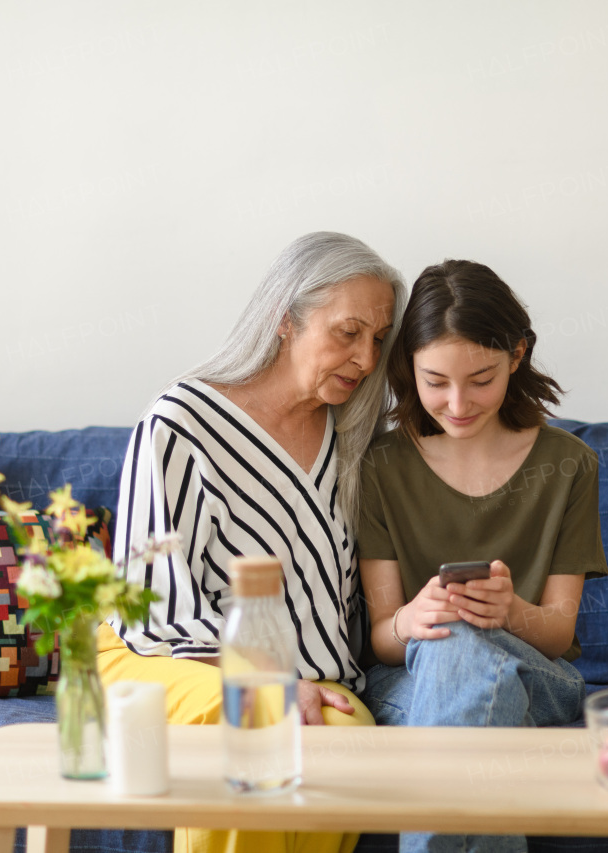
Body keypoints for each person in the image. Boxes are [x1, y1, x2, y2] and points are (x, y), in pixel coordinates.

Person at [99, 231, 406, 853]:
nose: (367, 360)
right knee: (260, 719)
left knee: (345, 743)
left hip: (315, 676)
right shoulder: (179, 423)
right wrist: (268, 682)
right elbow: (154, 604)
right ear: (284, 320)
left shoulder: (355, 438)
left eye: (378, 339)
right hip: (168, 654)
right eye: (347, 333)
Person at [356, 260, 608, 853]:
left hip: (538, 672)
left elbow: (557, 631)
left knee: (468, 654)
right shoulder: (380, 467)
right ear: (407, 366)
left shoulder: (569, 464)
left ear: (517, 355)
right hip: (412, 677)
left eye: (481, 378)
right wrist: (413, 618)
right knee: (460, 659)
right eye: (435, 380)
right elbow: (383, 640)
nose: (458, 402)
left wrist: (510, 612)